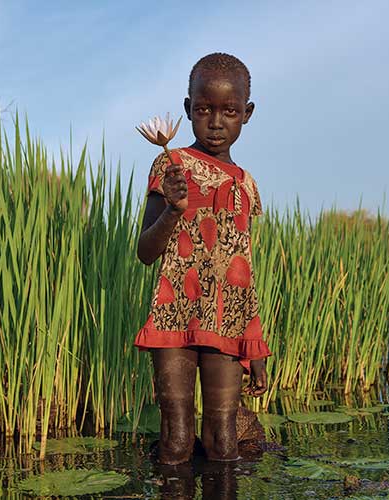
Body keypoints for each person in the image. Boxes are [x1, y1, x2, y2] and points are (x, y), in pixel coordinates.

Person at [134, 53, 271, 465]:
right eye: (203, 109)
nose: (215, 122)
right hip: (174, 317)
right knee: (175, 441)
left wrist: (258, 351)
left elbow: (241, 271)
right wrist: (174, 210)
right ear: (187, 109)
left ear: (246, 114)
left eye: (229, 111)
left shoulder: (246, 185)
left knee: (223, 443)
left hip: (228, 323)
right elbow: (145, 252)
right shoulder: (170, 166)